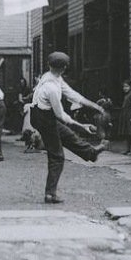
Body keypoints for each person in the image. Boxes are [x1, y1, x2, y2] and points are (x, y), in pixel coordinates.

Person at [30, 52, 108, 204]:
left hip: (43, 115)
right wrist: (82, 126)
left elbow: (73, 95)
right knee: (57, 156)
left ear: (49, 65)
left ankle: (91, 153)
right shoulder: (51, 87)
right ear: (64, 68)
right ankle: (50, 194)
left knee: (67, 134)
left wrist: (95, 106)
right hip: (43, 118)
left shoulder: (53, 77)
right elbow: (61, 115)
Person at [117, 80, 131, 155]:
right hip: (125, 115)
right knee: (127, 133)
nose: (125, 88)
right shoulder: (126, 95)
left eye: (126, 86)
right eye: (124, 87)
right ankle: (128, 149)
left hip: (130, 115)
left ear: (130, 87)